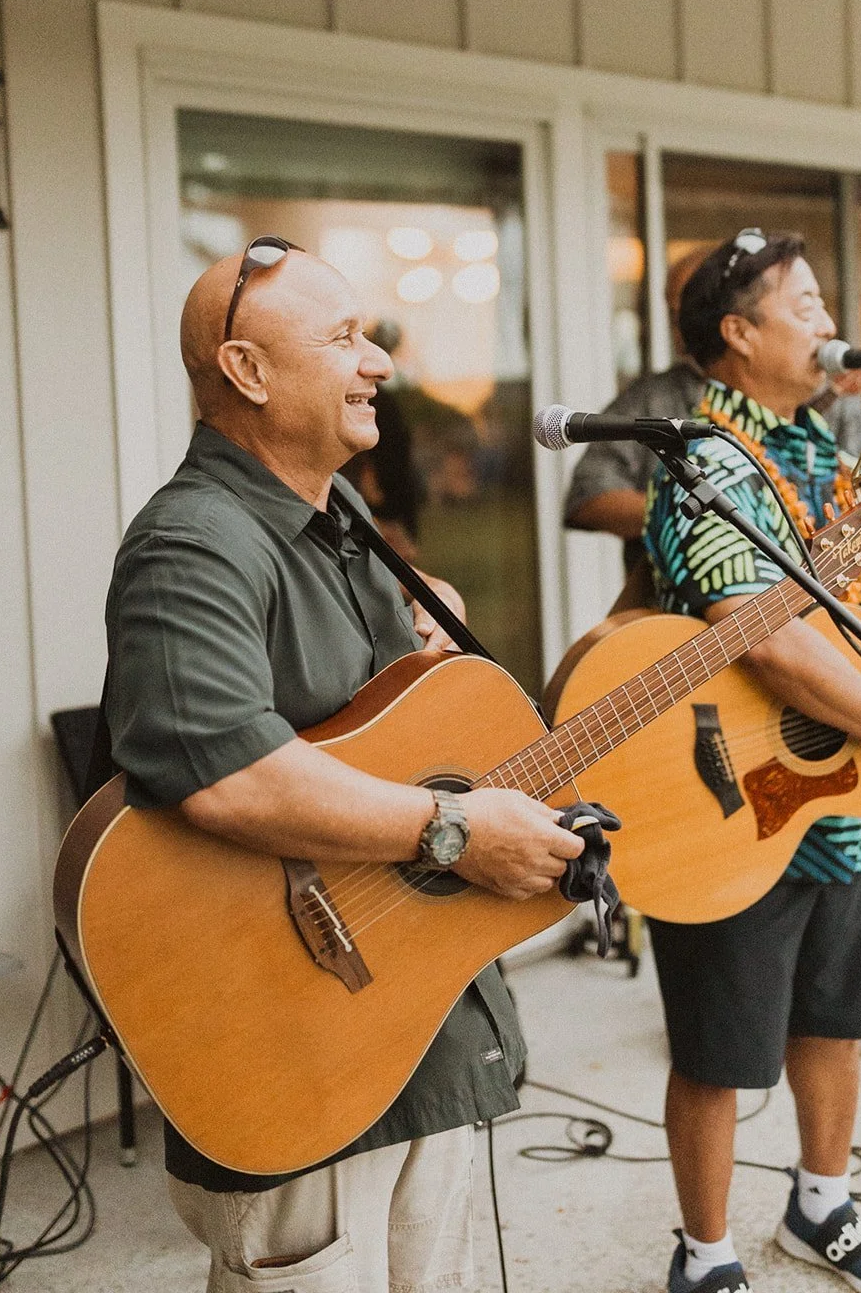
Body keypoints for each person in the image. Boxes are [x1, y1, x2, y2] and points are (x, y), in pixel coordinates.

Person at [103, 236, 583, 1293]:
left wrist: (430, 624)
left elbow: (359, 713)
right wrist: (454, 830)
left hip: (409, 1018)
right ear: (247, 371)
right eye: (344, 338)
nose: (380, 363)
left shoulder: (341, 513)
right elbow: (228, 772)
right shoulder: (192, 544)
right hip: (288, 1043)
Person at [641, 230, 861, 1293]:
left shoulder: (834, 456)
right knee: (717, 1048)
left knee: (836, 1020)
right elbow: (758, 631)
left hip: (829, 793)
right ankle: (704, 1254)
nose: (830, 323)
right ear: (739, 334)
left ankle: (822, 1206)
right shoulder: (705, 458)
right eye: (803, 304)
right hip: (718, 795)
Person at [564, 247, 861, 576]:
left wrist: (822, 544)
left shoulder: (828, 398)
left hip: (832, 594)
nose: (684, 322)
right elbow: (588, 498)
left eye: (696, 307)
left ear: (735, 323)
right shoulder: (652, 398)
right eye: (675, 311)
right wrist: (707, 514)